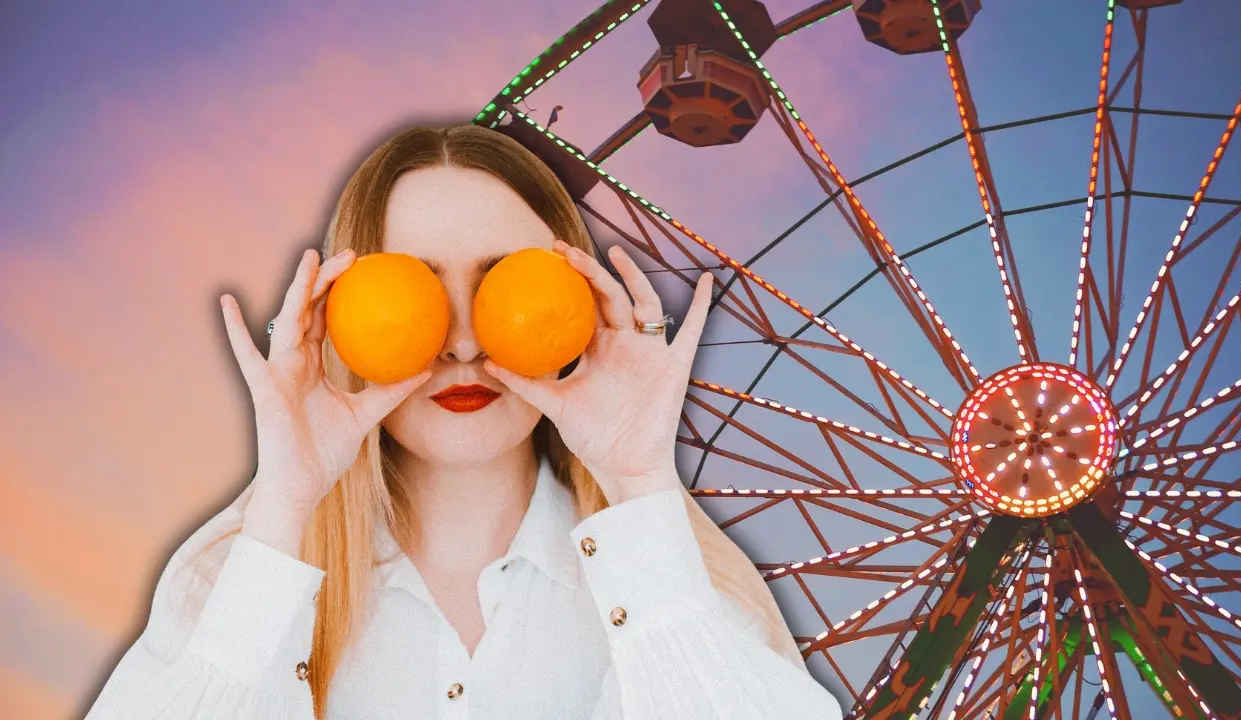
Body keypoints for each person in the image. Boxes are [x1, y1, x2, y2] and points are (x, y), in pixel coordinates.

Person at [84, 123, 843, 719]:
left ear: (582, 299)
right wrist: (285, 500)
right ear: (336, 312)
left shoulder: (684, 584)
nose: (463, 342)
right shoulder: (228, 574)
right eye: (411, 288)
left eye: (503, 285)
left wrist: (639, 479)